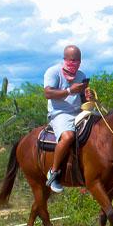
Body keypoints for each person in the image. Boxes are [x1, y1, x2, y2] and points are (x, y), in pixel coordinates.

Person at [43, 45, 92, 193]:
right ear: (65, 59)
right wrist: (70, 90)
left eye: (78, 60)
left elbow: (82, 98)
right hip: (59, 113)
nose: (75, 63)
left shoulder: (81, 75)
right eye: (72, 60)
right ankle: (54, 172)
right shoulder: (53, 72)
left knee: (99, 127)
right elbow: (48, 93)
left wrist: (87, 97)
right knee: (68, 136)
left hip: (78, 111)